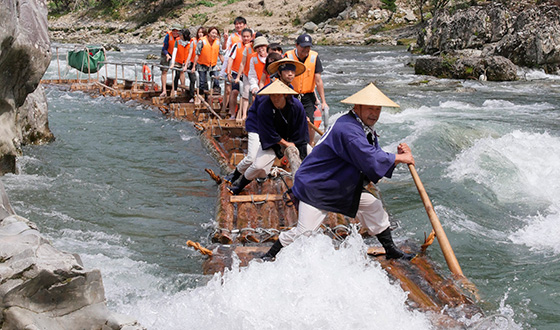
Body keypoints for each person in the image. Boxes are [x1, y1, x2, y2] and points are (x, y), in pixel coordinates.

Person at [262, 83, 416, 261]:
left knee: (374, 207)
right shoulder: (348, 129)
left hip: (340, 184)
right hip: (318, 185)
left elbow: (371, 157)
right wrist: (399, 158)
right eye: (370, 108)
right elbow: (369, 157)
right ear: (357, 107)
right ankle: (271, 255)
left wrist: (395, 158)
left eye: (377, 109)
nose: (374, 113)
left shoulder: (360, 125)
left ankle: (390, 250)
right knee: (304, 233)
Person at [227, 72, 308, 195]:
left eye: (278, 95)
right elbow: (267, 132)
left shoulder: (297, 107)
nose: (275, 98)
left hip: (294, 140)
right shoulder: (264, 107)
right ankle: (239, 185)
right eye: (272, 95)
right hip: (273, 141)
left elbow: (302, 131)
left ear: (285, 95)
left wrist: (295, 147)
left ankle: (309, 188)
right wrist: (284, 145)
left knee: (310, 157)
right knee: (258, 166)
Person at [223, 54, 296, 185]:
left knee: (263, 160)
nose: (290, 75)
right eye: (286, 72)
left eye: (292, 72)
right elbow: (257, 111)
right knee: (251, 157)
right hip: (257, 126)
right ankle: (235, 175)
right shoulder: (267, 90)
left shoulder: (290, 90)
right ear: (278, 75)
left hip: (271, 129)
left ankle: (261, 178)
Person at [285, 34, 329, 141]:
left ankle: (309, 145)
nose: (306, 50)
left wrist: (323, 101)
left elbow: (318, 80)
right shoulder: (288, 56)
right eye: (303, 47)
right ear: (296, 45)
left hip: (308, 96)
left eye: (308, 47)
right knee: (290, 121)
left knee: (310, 123)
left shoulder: (314, 57)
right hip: (291, 95)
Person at [220, 17, 248, 113]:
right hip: (233, 68)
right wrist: (225, 39)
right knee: (229, 90)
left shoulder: (250, 36)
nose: (238, 25)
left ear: (245, 25)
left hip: (247, 71)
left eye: (241, 24)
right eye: (237, 24)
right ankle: (226, 110)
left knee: (246, 93)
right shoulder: (232, 37)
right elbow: (224, 49)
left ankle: (244, 113)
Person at [226, 28, 253, 119]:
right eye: (244, 36)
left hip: (248, 74)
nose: (246, 38)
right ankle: (233, 114)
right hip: (236, 72)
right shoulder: (236, 45)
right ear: (241, 37)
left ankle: (248, 114)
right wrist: (228, 72)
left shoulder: (253, 47)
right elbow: (230, 59)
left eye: (247, 36)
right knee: (234, 92)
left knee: (249, 94)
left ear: (251, 37)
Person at [192, 26, 224, 94]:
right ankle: (202, 95)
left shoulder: (217, 42)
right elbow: (197, 54)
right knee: (202, 82)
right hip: (202, 64)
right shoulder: (202, 41)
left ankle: (216, 94)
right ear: (208, 33)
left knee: (216, 80)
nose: (214, 35)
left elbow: (220, 55)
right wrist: (194, 66)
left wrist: (225, 66)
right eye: (213, 33)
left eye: (216, 33)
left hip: (213, 64)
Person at [160, 24, 182, 97]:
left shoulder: (182, 38)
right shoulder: (168, 36)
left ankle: (183, 89)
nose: (175, 32)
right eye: (173, 31)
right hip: (167, 52)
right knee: (164, 70)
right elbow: (164, 48)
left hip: (177, 53)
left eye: (177, 31)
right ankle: (164, 90)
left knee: (180, 71)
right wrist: (167, 55)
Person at [184, 27, 206, 100]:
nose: (200, 34)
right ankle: (192, 96)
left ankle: (203, 96)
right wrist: (186, 65)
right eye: (199, 32)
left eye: (202, 32)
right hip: (193, 63)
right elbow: (190, 54)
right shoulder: (193, 41)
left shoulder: (206, 41)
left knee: (203, 81)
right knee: (193, 80)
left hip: (202, 64)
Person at [171, 29, 191, 97]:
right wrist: (173, 63)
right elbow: (174, 51)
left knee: (184, 74)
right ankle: (175, 90)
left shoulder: (190, 42)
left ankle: (183, 89)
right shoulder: (177, 40)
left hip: (186, 61)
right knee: (177, 74)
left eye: (181, 34)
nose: (180, 35)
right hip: (178, 60)